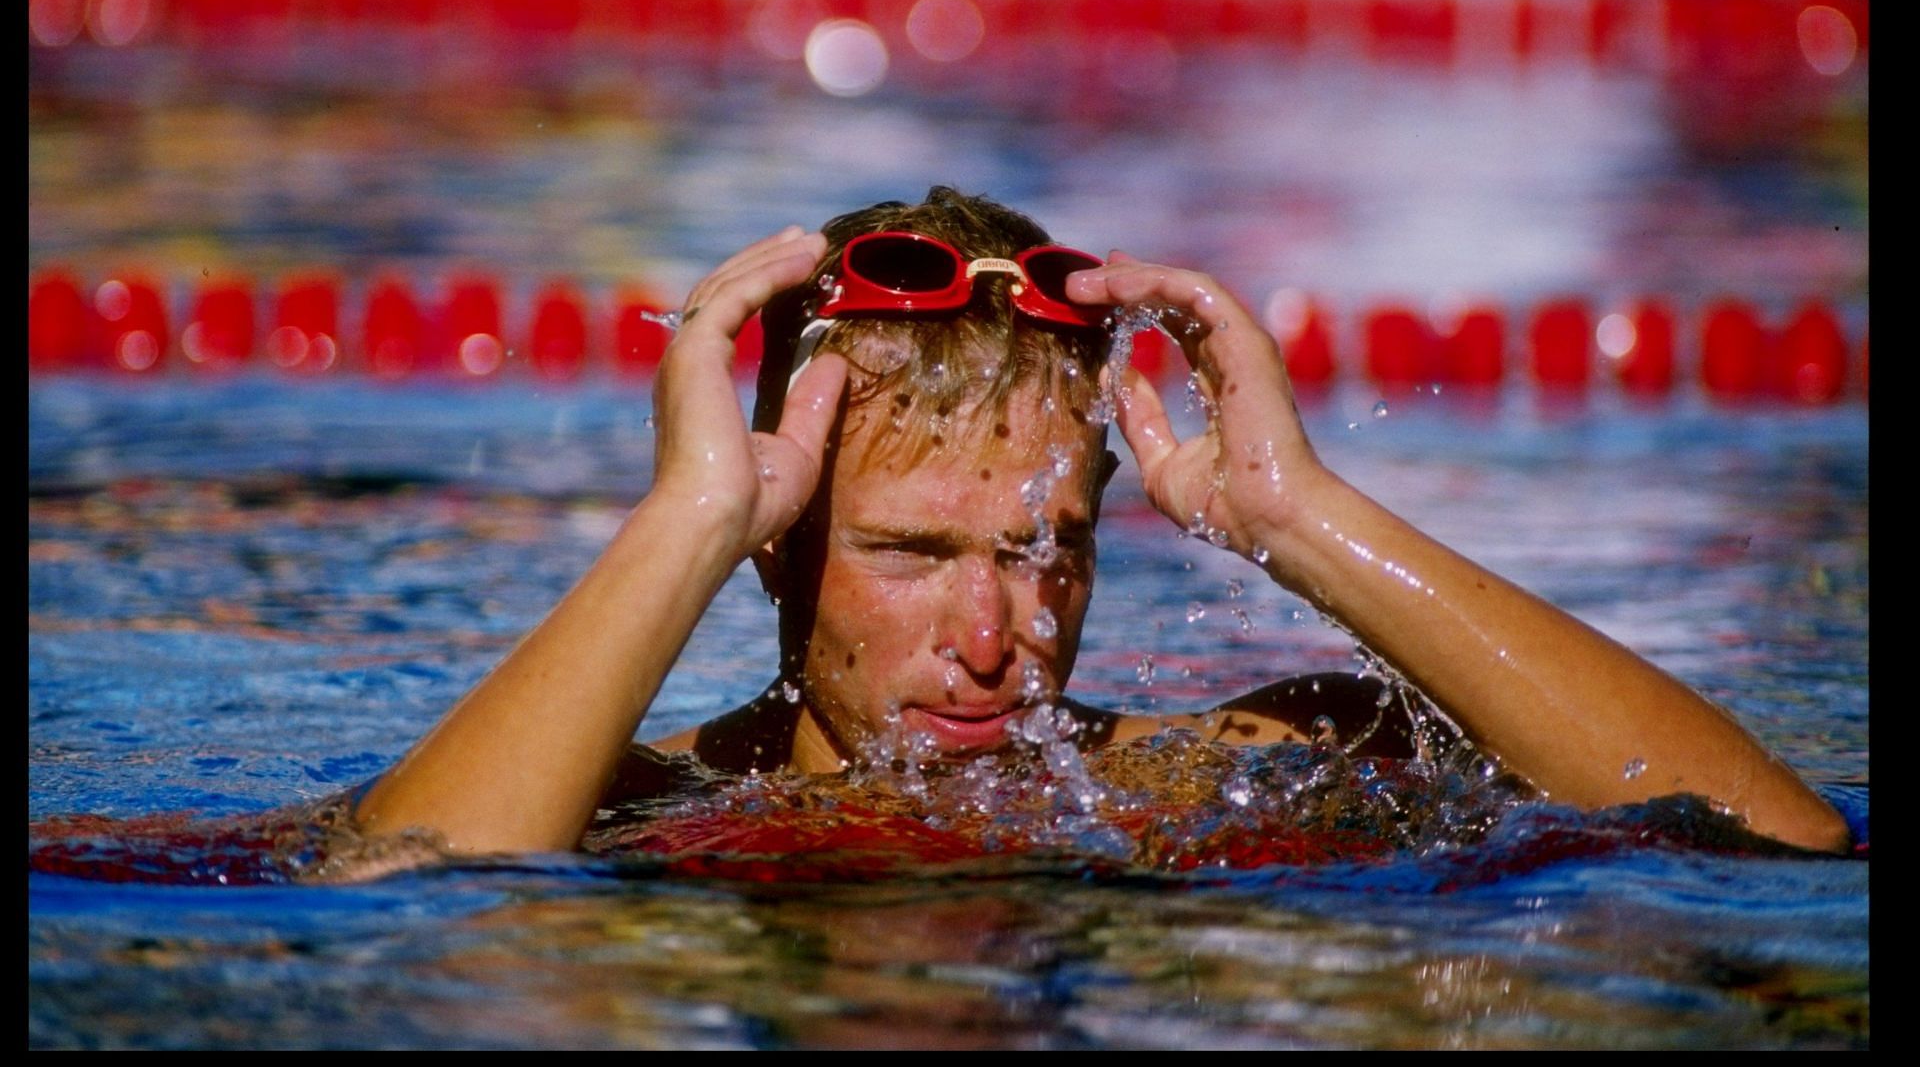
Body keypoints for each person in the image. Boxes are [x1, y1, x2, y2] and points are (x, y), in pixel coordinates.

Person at [352, 187, 1849, 856]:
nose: (995, 639)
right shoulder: (628, 808)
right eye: (912, 553)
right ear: (778, 538)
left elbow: (1774, 842)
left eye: (1042, 547)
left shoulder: (1249, 767)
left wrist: (1300, 517)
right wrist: (683, 523)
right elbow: (401, 914)